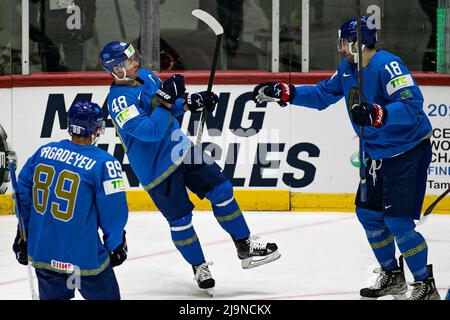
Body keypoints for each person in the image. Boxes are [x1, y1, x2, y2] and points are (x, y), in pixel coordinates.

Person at [252, 16, 440, 300]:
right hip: (374, 154)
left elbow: (412, 107)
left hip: (406, 152)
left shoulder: (388, 65)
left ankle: (425, 284)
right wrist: (286, 93)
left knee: (398, 222)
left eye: (343, 41)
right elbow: (321, 95)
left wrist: (379, 113)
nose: (340, 48)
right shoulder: (347, 69)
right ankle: (391, 275)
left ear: (356, 42)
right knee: (369, 215)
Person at [99, 41, 280, 296]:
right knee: (181, 220)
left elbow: (170, 108)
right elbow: (150, 131)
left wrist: (190, 103)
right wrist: (166, 104)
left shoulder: (147, 77)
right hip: (155, 170)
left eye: (135, 57)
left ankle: (245, 245)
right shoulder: (118, 102)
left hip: (180, 150)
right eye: (129, 62)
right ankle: (199, 266)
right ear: (116, 70)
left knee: (222, 189)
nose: (136, 63)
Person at [12, 101, 128, 300]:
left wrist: (24, 234)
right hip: (84, 257)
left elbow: (22, 194)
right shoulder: (105, 163)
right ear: (97, 128)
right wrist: (115, 245)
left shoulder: (43, 152)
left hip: (45, 252)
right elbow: (114, 214)